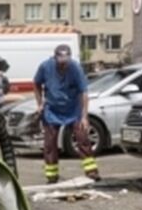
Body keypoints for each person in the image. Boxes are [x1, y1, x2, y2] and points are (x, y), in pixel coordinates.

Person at [33, 44, 99, 183]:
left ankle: (91, 172)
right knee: (50, 144)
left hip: (73, 109)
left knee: (82, 138)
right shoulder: (45, 67)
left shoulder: (75, 68)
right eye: (61, 63)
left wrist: (84, 116)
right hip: (52, 110)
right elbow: (36, 83)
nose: (64, 66)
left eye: (66, 63)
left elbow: (84, 92)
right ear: (55, 58)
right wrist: (40, 103)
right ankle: (52, 176)